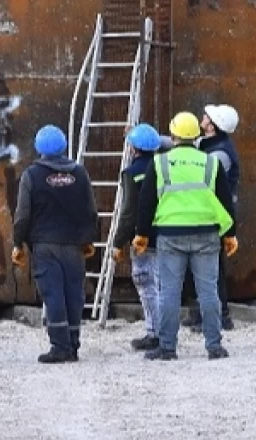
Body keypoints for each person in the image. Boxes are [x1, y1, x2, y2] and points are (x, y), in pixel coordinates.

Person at [134, 112, 238, 361]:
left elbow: (146, 203)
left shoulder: (159, 163)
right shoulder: (210, 163)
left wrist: (142, 234)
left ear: (173, 135)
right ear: (195, 137)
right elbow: (225, 202)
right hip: (206, 234)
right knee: (208, 293)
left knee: (169, 292)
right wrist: (230, 234)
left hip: (170, 235)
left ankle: (167, 348)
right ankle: (214, 347)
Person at [11, 124, 97, 363]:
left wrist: (18, 243)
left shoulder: (31, 175)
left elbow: (23, 215)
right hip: (73, 245)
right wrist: (88, 239)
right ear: (64, 146)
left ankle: (60, 347)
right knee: (73, 294)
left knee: (53, 294)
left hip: (45, 244)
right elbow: (90, 209)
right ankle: (73, 344)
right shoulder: (79, 173)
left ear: (38, 148)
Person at [112, 123, 164, 351]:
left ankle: (155, 334)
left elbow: (128, 211)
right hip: (166, 233)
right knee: (162, 285)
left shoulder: (131, 173)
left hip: (142, 237)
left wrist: (117, 242)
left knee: (146, 285)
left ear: (133, 148)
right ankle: (164, 332)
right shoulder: (164, 167)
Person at [192, 103, 241, 331]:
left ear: (212, 125)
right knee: (203, 266)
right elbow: (180, 143)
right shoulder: (209, 144)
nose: (202, 118)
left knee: (213, 268)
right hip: (209, 212)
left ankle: (221, 316)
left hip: (215, 214)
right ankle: (200, 313)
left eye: (205, 117)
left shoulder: (220, 154)